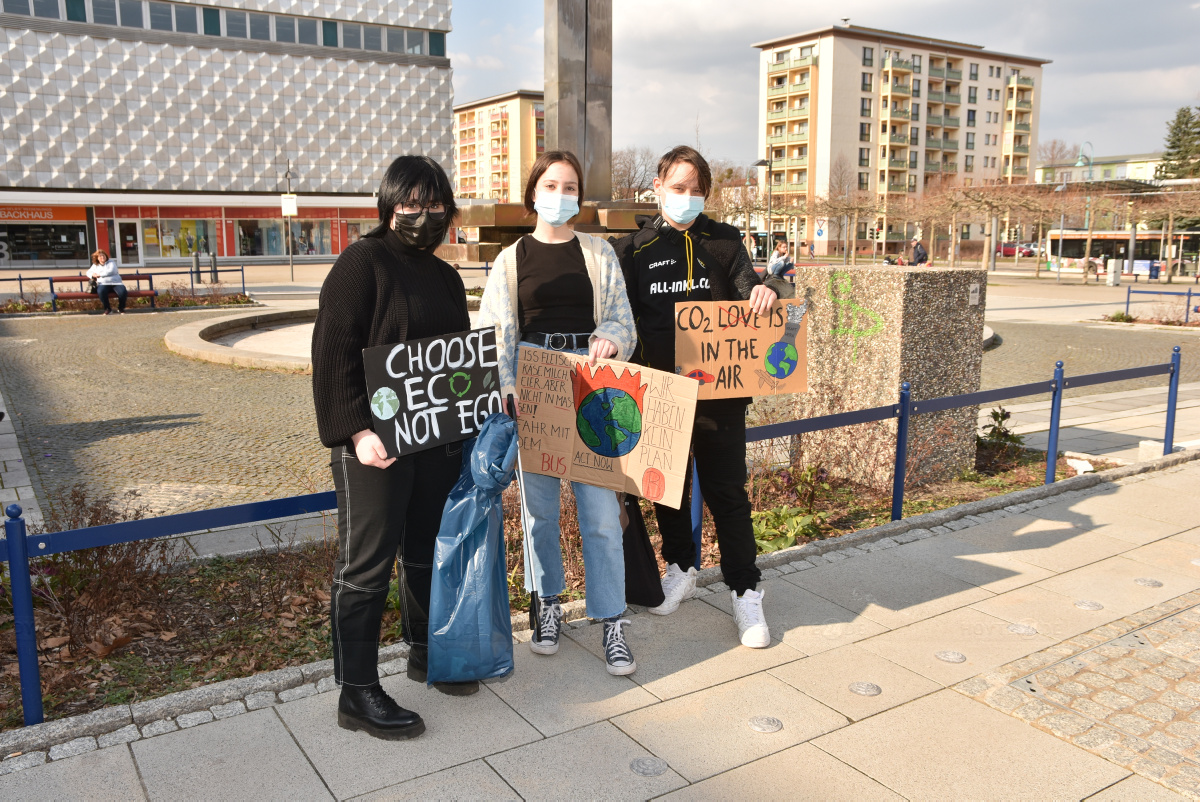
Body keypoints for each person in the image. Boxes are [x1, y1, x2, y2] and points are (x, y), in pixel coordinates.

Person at [311, 155, 471, 741]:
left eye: (435, 207)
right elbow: (332, 355)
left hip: (434, 441)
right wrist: (357, 431)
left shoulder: (445, 274)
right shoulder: (361, 262)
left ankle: (426, 651)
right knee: (366, 564)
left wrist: (470, 416)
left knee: (427, 549)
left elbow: (456, 361)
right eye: (411, 204)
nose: (423, 217)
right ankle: (356, 692)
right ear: (387, 205)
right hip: (375, 444)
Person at [613, 146, 790, 649]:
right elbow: (617, 319)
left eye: (696, 190)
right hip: (661, 395)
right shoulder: (633, 249)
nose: (687, 197)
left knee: (728, 494)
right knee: (666, 490)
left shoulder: (725, 241)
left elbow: (752, 292)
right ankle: (681, 567)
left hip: (720, 396)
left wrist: (769, 289)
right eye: (678, 187)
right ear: (657, 186)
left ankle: (745, 588)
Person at [478, 150, 639, 676]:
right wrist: (504, 384)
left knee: (599, 513)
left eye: (569, 185)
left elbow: (621, 319)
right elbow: (496, 330)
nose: (560, 194)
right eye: (550, 184)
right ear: (533, 193)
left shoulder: (598, 253)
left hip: (591, 385)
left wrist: (611, 341)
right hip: (535, 385)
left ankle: (611, 618)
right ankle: (547, 603)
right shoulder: (510, 260)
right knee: (539, 511)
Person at [87, 250, 126, 314]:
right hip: (103, 283)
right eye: (100, 256)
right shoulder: (95, 265)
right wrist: (92, 275)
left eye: (103, 255)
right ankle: (108, 309)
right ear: (97, 258)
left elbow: (111, 271)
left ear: (106, 256)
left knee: (123, 292)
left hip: (116, 283)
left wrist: (99, 274)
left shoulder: (111, 262)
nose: (102, 257)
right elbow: (88, 272)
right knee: (101, 292)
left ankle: (121, 308)